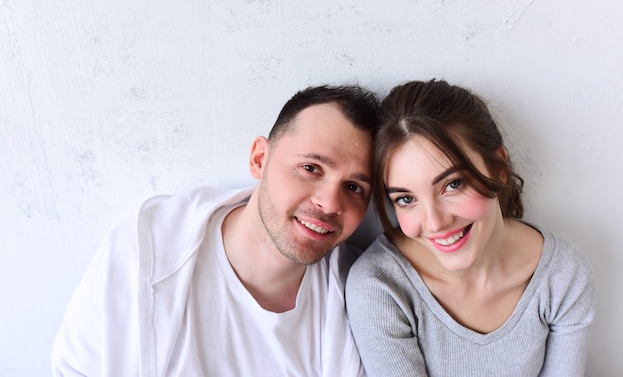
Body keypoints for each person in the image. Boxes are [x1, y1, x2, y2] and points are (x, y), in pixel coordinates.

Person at [51, 85, 379, 376]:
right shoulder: (142, 252)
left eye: (353, 187)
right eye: (310, 168)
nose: (330, 202)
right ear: (259, 159)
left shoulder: (361, 299)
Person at [345, 79, 595, 377]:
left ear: (499, 168)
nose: (435, 222)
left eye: (452, 184)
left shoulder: (563, 277)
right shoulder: (380, 286)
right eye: (406, 198)